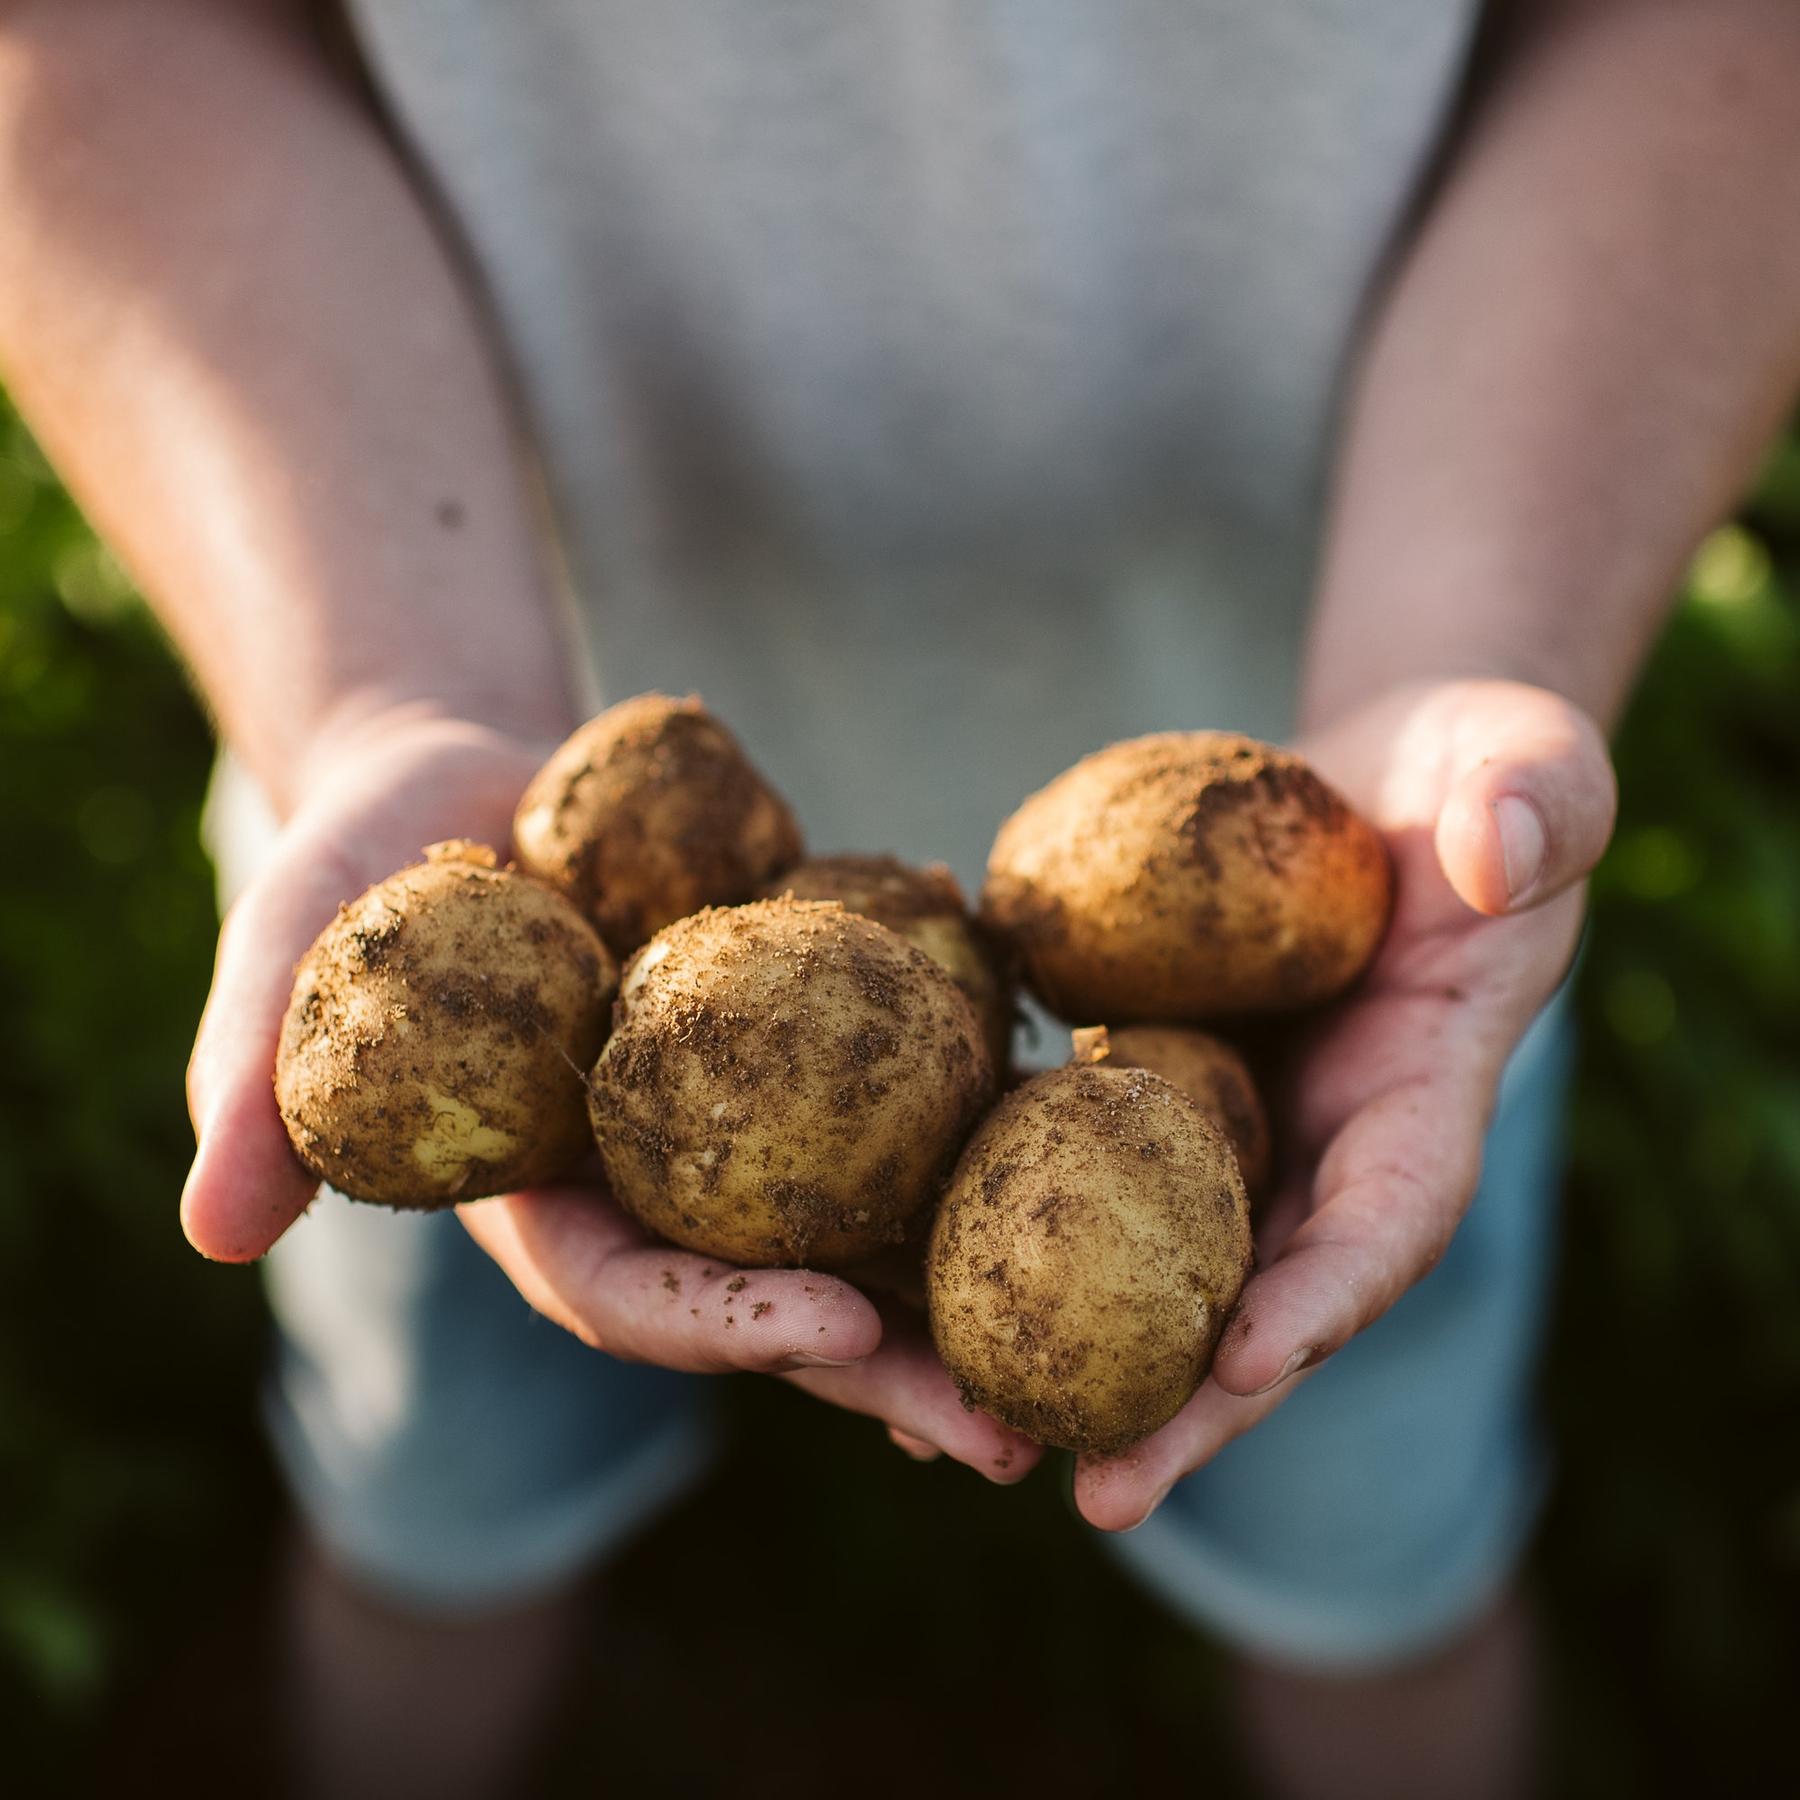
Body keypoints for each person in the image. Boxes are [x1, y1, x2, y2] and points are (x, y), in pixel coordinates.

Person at [4, 1, 1798, 1794]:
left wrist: (1474, 631)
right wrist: (379, 688)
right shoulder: (528, 942)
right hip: (459, 722)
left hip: (1364, 916)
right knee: (423, 1514)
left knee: (1385, 1574)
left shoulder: (1299, 967)